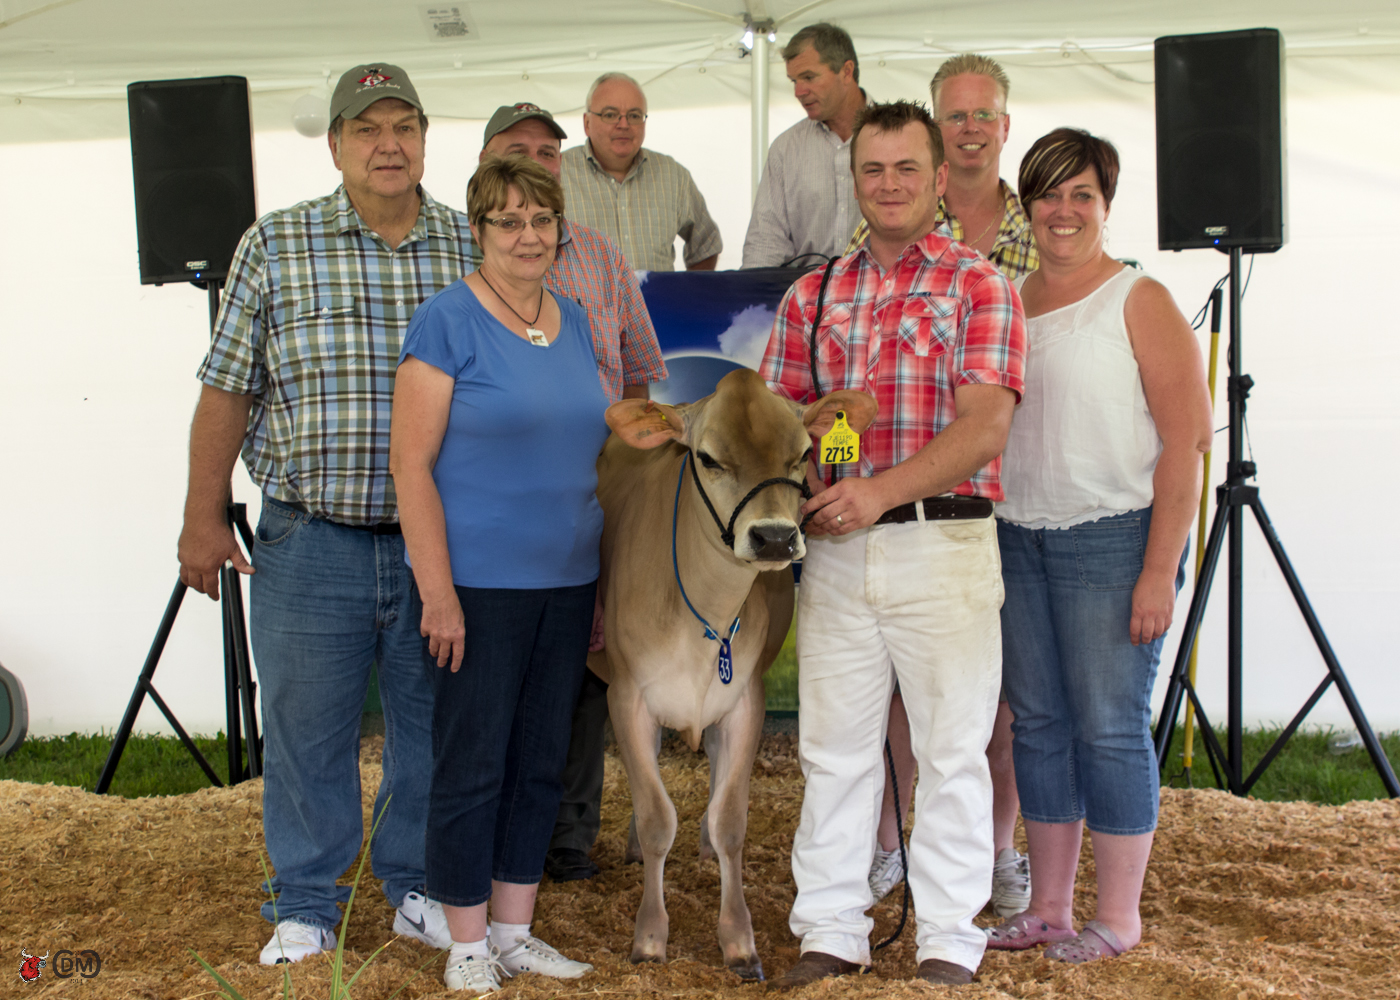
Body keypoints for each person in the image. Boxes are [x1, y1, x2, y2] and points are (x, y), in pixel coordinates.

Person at [176, 63, 470, 964]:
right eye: (366, 129)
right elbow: (228, 390)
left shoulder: (472, 249)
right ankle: (303, 904)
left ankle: (417, 886)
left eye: (403, 126)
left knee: (431, 732)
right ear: (337, 143)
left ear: (424, 136)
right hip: (311, 542)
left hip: (440, 549)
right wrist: (200, 514)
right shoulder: (275, 244)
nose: (388, 145)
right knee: (308, 735)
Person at [760, 100, 1026, 990]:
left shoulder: (978, 283)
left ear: (939, 177)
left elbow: (986, 426)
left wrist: (878, 489)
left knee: (953, 748)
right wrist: (820, 471)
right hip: (838, 550)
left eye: (907, 168)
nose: (890, 185)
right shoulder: (815, 292)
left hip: (943, 546)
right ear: (855, 180)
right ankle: (830, 927)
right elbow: (782, 421)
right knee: (834, 749)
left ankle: (950, 937)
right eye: (873, 170)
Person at [984, 128, 1212, 962]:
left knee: (1109, 725)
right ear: (1027, 207)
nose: (1064, 210)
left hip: (1113, 539)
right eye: (1049, 193)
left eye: (1082, 194)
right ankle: (1048, 906)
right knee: (1039, 723)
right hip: (1019, 538)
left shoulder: (1138, 299)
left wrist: (1159, 569)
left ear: (1106, 205)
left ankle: (1116, 916)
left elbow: (1188, 443)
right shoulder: (1005, 300)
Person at [390, 154, 608, 994]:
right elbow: (412, 467)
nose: (528, 235)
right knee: (473, 760)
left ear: (560, 230)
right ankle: (466, 942)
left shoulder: (577, 320)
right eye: (508, 221)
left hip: (568, 576)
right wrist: (438, 594)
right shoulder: (445, 321)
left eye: (541, 220)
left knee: (541, 759)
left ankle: (516, 930)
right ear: (477, 231)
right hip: (477, 586)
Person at [865, 52, 1039, 918]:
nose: (972, 128)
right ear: (938, 135)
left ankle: (992, 852)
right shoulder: (876, 246)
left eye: (985, 114)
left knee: (992, 696)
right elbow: (841, 400)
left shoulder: (1039, 229)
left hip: (1017, 482)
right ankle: (894, 844)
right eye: (956, 114)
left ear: (1004, 125)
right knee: (902, 688)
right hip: (897, 507)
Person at [477, 101, 668, 882]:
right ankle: (490, 837)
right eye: (518, 151)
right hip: (497, 495)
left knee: (589, 656)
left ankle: (569, 832)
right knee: (498, 666)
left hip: (593, 486)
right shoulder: (465, 263)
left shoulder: (600, 256)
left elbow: (634, 370)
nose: (537, 163)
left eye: (549, 153)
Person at [561, 72, 721, 271]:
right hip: (579, 303)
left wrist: (691, 296)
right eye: (610, 115)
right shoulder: (557, 175)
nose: (624, 124)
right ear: (586, 123)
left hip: (657, 303)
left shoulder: (673, 176)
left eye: (634, 116)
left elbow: (707, 245)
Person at [741, 22, 868, 268]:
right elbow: (766, 242)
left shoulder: (900, 136)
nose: (799, 91)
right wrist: (753, 299)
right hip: (807, 299)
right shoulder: (786, 149)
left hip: (884, 297)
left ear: (846, 71)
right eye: (793, 81)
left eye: (809, 77)